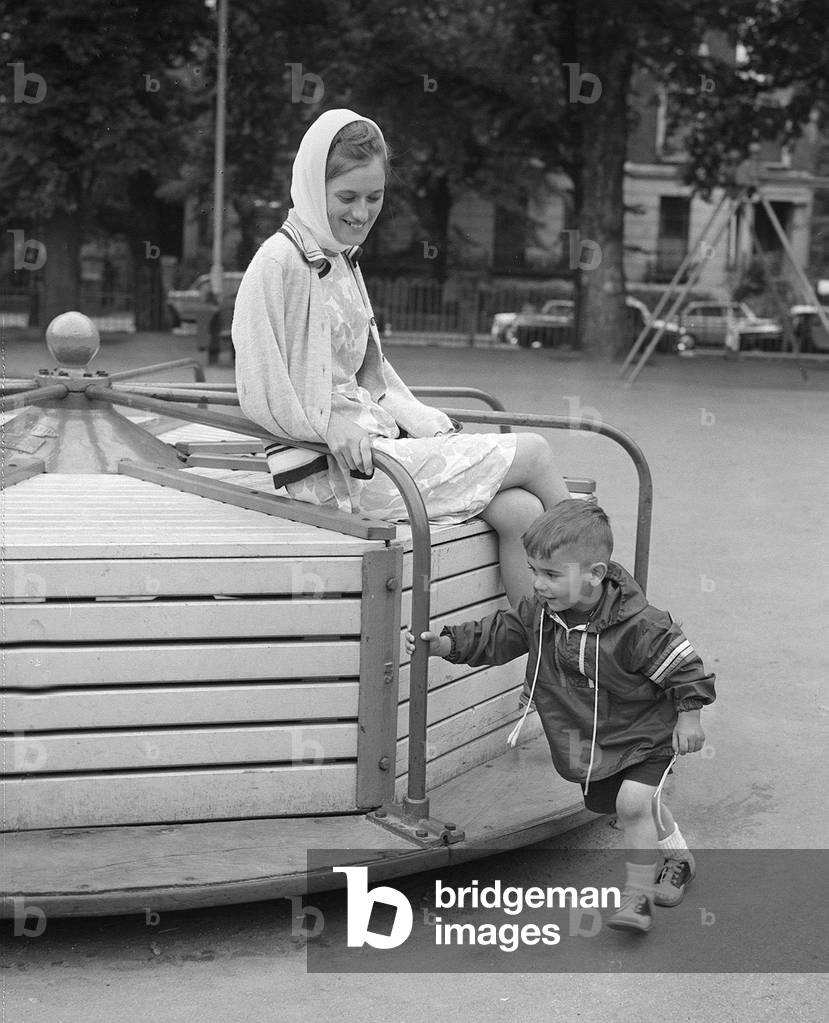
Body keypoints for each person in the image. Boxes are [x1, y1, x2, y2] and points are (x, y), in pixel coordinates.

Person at [231, 108, 571, 603]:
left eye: (375, 197)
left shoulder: (340, 259)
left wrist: (428, 423)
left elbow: (373, 379)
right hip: (337, 471)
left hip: (370, 454)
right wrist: (327, 425)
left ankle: (548, 660)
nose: (362, 212)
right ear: (310, 186)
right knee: (536, 451)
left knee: (519, 513)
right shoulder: (278, 262)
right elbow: (258, 384)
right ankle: (608, 604)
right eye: (346, 197)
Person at [405, 500, 716, 934]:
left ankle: (637, 899)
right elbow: (501, 635)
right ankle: (678, 859)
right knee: (639, 807)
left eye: (551, 575)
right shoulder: (540, 613)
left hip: (649, 731)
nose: (538, 584)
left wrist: (689, 718)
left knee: (631, 805)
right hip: (596, 736)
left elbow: (684, 666)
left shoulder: (640, 625)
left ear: (595, 575)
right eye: (534, 571)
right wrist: (447, 644)